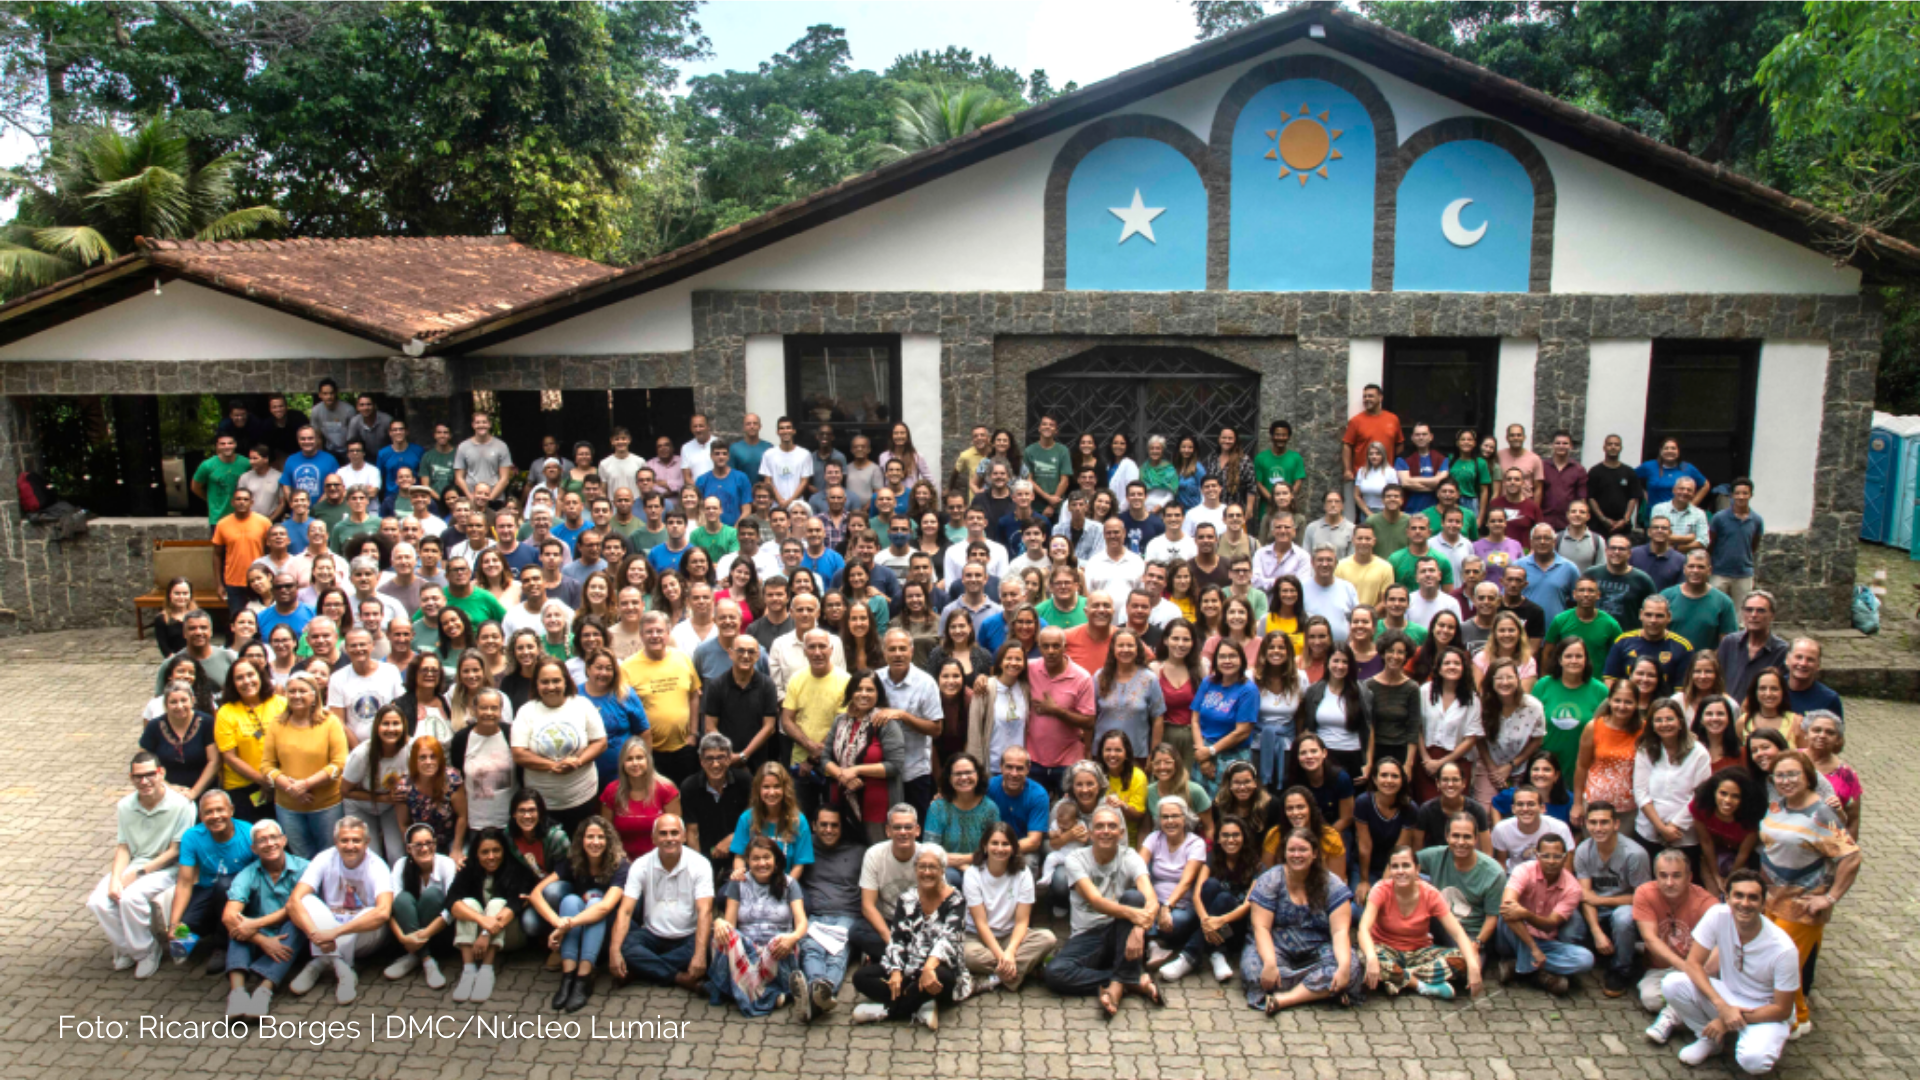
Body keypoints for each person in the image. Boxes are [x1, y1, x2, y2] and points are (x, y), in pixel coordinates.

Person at [1645, 871, 1798, 1074]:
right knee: (1672, 983)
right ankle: (1709, 1038)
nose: (1745, 903)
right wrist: (1721, 1006)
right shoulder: (1717, 915)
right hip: (1728, 995)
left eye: (1753, 897)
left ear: (1763, 904)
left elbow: (1782, 1010)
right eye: (1739, 895)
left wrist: (1725, 1021)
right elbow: (1693, 964)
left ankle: (1736, 1033)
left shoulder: (1784, 949)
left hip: (1765, 1010)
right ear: (1728, 897)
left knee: (1754, 1062)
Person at [1758, 750, 1861, 1032]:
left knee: (1781, 966)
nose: (1786, 780)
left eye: (1793, 774)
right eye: (1780, 775)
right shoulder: (1778, 804)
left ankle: (1789, 1022)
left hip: (1802, 905)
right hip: (1772, 899)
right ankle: (1800, 1016)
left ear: (1808, 777)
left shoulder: (1821, 813)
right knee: (1785, 966)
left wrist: (1829, 898)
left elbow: (1851, 856)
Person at [89, 751, 197, 978]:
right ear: (131, 778)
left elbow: (175, 851)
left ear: (161, 773)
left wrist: (136, 875)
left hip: (169, 868)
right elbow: (123, 847)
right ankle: (128, 948)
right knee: (98, 901)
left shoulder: (182, 805)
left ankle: (146, 951)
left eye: (150, 774)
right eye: (138, 777)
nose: (144, 781)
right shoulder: (125, 806)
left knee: (131, 898)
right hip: (137, 864)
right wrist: (116, 879)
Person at [1243, 826, 1365, 1013]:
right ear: (1284, 853)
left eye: (1303, 850)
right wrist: (1269, 963)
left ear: (1314, 853)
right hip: (1276, 947)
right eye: (1292, 850)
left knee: (1351, 966)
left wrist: (1344, 967)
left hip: (1318, 948)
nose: (1297, 855)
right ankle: (1324, 990)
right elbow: (1261, 927)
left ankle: (1284, 999)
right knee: (1255, 970)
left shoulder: (1331, 884)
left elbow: (1340, 931)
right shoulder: (1269, 880)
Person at [850, 845, 970, 1029]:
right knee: (861, 977)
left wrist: (929, 968)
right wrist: (896, 971)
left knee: (941, 978)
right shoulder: (906, 899)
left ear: (942, 870)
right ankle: (921, 1004)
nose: (927, 872)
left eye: (933, 867)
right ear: (915, 869)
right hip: (910, 965)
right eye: (922, 867)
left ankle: (886, 1011)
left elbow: (948, 940)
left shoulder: (956, 900)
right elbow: (897, 939)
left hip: (940, 967)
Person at [285, 815, 395, 1004]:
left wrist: (334, 933)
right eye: (344, 840)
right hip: (328, 931)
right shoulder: (324, 858)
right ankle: (342, 968)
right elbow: (293, 900)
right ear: (336, 841)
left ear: (367, 842)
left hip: (363, 935)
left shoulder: (377, 866)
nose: (350, 846)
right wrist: (315, 934)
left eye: (356, 840)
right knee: (305, 900)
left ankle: (320, 962)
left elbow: (384, 912)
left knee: (374, 912)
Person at [1359, 843, 1484, 999]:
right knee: (1362, 956)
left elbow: (1458, 933)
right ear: (1390, 870)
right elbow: (1363, 929)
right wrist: (1371, 958)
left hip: (1419, 953)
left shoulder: (1430, 894)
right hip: (1386, 950)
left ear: (1417, 870)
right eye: (1395, 866)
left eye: (1406, 865)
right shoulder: (1380, 890)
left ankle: (1395, 977)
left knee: (1465, 958)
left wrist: (1472, 966)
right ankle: (1422, 985)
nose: (1401, 871)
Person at [706, 835, 810, 1020]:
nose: (762, 863)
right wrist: (719, 922)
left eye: (766, 858)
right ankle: (771, 996)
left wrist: (793, 937)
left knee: (778, 941)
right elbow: (730, 924)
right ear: (747, 861)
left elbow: (801, 922)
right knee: (723, 933)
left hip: (778, 951)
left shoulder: (790, 884)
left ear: (775, 860)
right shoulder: (738, 883)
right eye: (756, 858)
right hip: (747, 952)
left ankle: (750, 993)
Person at [610, 814, 713, 991]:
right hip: (652, 934)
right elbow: (625, 911)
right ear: (654, 838)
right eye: (663, 833)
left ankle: (641, 970)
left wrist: (700, 955)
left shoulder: (700, 864)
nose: (669, 838)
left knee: (709, 947)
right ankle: (679, 978)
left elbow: (705, 911)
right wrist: (614, 951)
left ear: (684, 836)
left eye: (674, 833)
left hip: (688, 936)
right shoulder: (641, 865)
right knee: (625, 946)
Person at [220, 820, 311, 1017]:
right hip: (260, 936)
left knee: (299, 920)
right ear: (254, 848)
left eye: (273, 837)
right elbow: (229, 915)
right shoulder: (248, 873)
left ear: (284, 840)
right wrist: (260, 938)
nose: (269, 843)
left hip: (292, 935)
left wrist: (255, 924)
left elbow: (295, 906)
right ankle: (237, 994)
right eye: (262, 840)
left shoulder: (305, 869)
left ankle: (264, 991)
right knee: (237, 925)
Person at [510, 656, 610, 835]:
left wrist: (578, 761)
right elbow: (518, 753)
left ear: (566, 681)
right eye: (544, 682)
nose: (551, 686)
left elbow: (600, 742)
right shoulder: (526, 711)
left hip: (583, 797)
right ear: (536, 684)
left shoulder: (582, 705)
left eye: (556, 680)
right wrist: (552, 766)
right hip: (543, 802)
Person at [960, 820, 1056, 993]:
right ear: (985, 846)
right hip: (978, 937)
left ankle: (995, 979)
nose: (1000, 848)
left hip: (1010, 936)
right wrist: (1001, 955)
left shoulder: (1023, 873)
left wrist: (1010, 951)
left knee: (1048, 938)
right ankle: (1024, 970)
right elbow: (981, 923)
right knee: (967, 955)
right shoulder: (972, 874)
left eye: (1005, 844)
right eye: (994, 843)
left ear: (1013, 848)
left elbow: (1022, 921)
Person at [262, 673, 350, 859]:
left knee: (329, 857)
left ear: (314, 695)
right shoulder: (277, 724)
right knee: (301, 859)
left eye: (302, 691)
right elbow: (267, 766)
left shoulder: (329, 721)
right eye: (291, 691)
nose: (296, 695)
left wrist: (306, 784)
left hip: (327, 806)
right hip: (288, 807)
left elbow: (339, 762)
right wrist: (290, 787)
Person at [1569, 800, 1652, 996]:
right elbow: (1585, 895)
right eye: (1593, 823)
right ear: (1586, 825)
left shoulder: (1635, 854)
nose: (1598, 828)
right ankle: (1577, 962)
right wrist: (1597, 932)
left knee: (1623, 919)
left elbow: (1642, 897)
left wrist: (1601, 901)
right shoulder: (1583, 850)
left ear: (1616, 824)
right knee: (1570, 918)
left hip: (1623, 906)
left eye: (1604, 822)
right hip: (1594, 909)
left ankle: (1621, 970)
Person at [1493, 833, 1593, 995]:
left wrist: (1526, 914)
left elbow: (1550, 924)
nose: (1551, 861)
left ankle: (1520, 967)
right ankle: (1537, 972)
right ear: (1537, 855)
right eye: (1545, 856)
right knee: (1506, 912)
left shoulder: (1573, 888)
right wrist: (1533, 948)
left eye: (1557, 856)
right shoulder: (1523, 870)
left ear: (1565, 857)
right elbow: (1507, 908)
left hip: (1545, 941)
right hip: (1514, 936)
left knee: (1586, 959)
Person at [1631, 848, 1718, 1014]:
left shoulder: (1707, 903)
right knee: (1651, 1000)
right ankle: (1681, 1008)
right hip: (1663, 968)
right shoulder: (1644, 893)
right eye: (1663, 875)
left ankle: (1674, 1013)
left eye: (1676, 876)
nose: (1669, 882)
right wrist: (1684, 967)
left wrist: (1698, 972)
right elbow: (1650, 939)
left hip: (1698, 968)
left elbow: (1721, 945)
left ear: (1689, 877)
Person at [1417, 812, 1506, 962]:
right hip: (1440, 924)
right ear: (1447, 836)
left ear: (1476, 838)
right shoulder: (1435, 856)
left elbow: (1492, 918)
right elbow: (1399, 861)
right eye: (1456, 836)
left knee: (1466, 966)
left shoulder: (1493, 873)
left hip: (1471, 933)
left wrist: (1477, 944)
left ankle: (1435, 959)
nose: (1460, 842)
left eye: (1467, 837)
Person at [1490, 783, 1573, 870]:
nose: (1525, 809)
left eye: (1531, 804)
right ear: (1513, 809)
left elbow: (1567, 866)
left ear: (1542, 808)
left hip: (1550, 875)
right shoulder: (1501, 829)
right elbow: (1501, 862)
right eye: (1520, 804)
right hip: (1515, 875)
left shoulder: (1559, 828)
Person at [1584, 533, 1659, 628]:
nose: (1616, 552)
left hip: (1628, 637)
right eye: (1613, 548)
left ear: (1629, 553)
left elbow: (1653, 610)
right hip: (1595, 632)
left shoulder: (1642, 580)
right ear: (1606, 551)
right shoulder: (1591, 574)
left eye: (1621, 549)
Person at [1586, 434, 1643, 538]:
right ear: (1604, 447)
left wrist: (1625, 519)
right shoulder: (1594, 472)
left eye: (1616, 444)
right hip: (1598, 526)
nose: (1613, 447)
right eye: (1610, 444)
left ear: (1621, 448)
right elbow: (1591, 498)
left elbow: (1633, 498)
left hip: (1623, 527)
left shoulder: (1629, 472)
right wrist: (1603, 519)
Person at [1782, 637, 1843, 718]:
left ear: (1818, 665)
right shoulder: (1771, 689)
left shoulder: (1828, 699)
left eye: (1810, 659)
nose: (1803, 663)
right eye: (1799, 657)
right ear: (1787, 659)